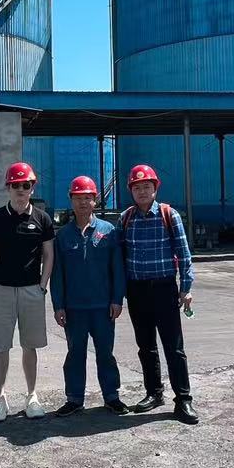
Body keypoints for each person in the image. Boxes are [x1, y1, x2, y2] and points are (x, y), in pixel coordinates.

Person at [120, 164, 198, 424]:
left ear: (155, 188)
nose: (142, 191)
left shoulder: (168, 215)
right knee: (146, 346)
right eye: (137, 187)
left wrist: (185, 288)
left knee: (174, 348)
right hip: (136, 290)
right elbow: (120, 258)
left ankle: (183, 399)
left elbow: (184, 254)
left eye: (147, 186)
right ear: (131, 191)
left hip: (164, 289)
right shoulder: (126, 218)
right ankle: (154, 393)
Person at [0, 161, 55, 421]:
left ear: (32, 187)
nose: (20, 189)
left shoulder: (42, 219)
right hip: (1, 290)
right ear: (7, 188)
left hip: (32, 290)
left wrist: (42, 285)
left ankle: (31, 396)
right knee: (0, 347)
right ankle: (0, 399)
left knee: (30, 346)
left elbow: (49, 254)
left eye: (25, 185)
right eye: (15, 185)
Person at [48, 175, 128, 416]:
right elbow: (57, 274)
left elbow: (117, 269)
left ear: (95, 201)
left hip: (103, 308)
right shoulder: (63, 236)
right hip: (74, 309)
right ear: (71, 200)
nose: (83, 203)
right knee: (75, 354)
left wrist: (117, 299)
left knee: (105, 353)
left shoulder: (108, 231)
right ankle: (74, 399)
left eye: (88, 198)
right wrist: (58, 305)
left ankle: (111, 396)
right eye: (78, 198)